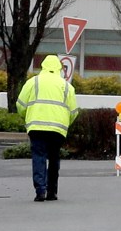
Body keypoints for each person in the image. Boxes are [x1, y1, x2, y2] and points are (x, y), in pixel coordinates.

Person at [16, 55, 78, 203]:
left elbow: (20, 105)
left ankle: (40, 191)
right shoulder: (67, 86)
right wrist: (65, 123)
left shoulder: (33, 82)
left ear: (43, 66)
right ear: (59, 68)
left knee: (39, 157)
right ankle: (52, 192)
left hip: (36, 126)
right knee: (54, 158)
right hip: (58, 129)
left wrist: (28, 117)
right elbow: (74, 111)